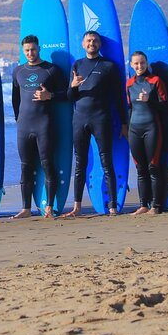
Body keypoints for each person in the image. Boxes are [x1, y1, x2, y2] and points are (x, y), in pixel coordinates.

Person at [64, 31, 128, 217]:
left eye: (95, 40)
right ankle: (77, 206)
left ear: (100, 44)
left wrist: (124, 122)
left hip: (101, 118)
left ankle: (113, 206)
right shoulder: (77, 65)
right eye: (89, 41)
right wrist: (73, 86)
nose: (92, 43)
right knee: (80, 163)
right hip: (79, 119)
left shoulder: (109, 66)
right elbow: (70, 97)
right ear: (83, 44)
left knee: (106, 161)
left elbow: (119, 97)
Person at [11, 35, 67, 219]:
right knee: (25, 166)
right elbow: (15, 99)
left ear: (39, 48)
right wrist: (18, 120)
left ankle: (49, 207)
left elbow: (67, 94)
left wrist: (49, 96)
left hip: (44, 125)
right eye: (26, 50)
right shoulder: (18, 71)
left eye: (33, 49)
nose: (30, 53)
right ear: (23, 50)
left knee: (47, 164)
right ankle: (26, 208)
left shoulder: (51, 70)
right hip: (24, 126)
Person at [125, 51, 167, 215]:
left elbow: (165, 106)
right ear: (131, 65)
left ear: (146, 63)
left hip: (152, 128)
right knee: (140, 168)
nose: (139, 66)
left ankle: (155, 206)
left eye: (142, 63)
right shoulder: (129, 84)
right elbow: (129, 108)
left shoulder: (155, 81)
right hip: (134, 129)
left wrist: (150, 100)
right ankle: (143, 204)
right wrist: (126, 129)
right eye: (136, 63)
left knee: (153, 167)